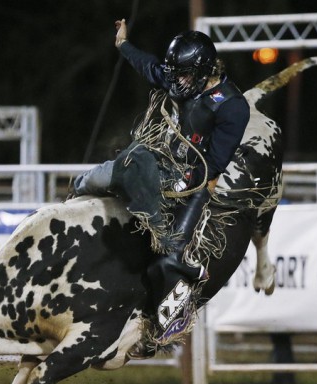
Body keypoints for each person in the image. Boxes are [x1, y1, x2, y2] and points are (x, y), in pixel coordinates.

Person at [73, 19, 250, 352]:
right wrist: (123, 44)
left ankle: (174, 318)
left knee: (170, 255)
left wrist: (184, 182)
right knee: (100, 178)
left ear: (203, 72)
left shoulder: (232, 106)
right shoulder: (179, 79)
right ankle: (75, 192)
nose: (176, 81)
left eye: (183, 75)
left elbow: (214, 163)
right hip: (163, 161)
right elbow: (149, 66)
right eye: (175, 73)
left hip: (196, 183)